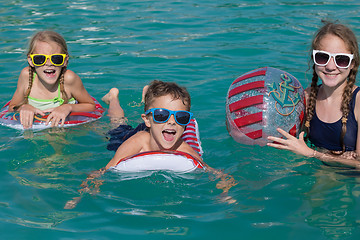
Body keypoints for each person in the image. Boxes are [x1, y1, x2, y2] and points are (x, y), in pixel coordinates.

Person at [64, 80, 237, 209]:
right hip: (127, 137)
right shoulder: (138, 141)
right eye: (162, 115)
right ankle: (113, 98)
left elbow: (215, 173)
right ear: (147, 119)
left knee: (151, 119)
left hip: (155, 131)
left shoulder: (182, 147)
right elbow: (104, 170)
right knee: (117, 124)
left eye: (181, 117)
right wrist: (81, 195)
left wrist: (225, 193)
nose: (171, 122)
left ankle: (150, 98)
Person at [267, 21, 360, 168]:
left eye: (341, 59)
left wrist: (313, 154)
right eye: (323, 57)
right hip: (316, 170)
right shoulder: (307, 97)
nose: (330, 67)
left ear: (353, 63)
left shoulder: (358, 102)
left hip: (350, 181)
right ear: (314, 59)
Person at [8, 30, 96, 129]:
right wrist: (24, 107)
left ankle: (112, 97)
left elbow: (91, 106)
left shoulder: (69, 79)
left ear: (65, 61)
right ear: (31, 61)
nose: (49, 63)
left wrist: (68, 107)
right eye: (40, 59)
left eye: (56, 59)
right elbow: (12, 107)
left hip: (66, 129)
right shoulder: (27, 76)